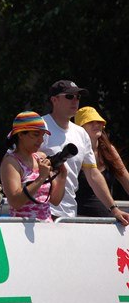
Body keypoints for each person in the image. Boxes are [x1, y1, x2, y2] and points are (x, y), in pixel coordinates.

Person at [40, 80, 129, 225]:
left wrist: (114, 209)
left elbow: (93, 175)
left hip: (68, 214)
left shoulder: (80, 133)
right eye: (69, 96)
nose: (75, 101)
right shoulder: (39, 126)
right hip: (40, 213)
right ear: (54, 100)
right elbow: (15, 160)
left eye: (78, 97)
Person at [0, 111, 67, 221]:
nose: (41, 140)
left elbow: (55, 200)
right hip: (20, 230)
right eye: (36, 135)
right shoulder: (11, 162)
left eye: (42, 135)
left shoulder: (40, 158)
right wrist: (41, 178)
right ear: (21, 134)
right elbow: (15, 202)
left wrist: (63, 178)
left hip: (46, 229)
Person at [74, 106, 129, 216]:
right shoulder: (74, 152)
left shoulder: (109, 150)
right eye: (90, 122)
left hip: (109, 217)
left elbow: (125, 178)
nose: (97, 124)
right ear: (80, 128)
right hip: (78, 220)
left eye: (99, 121)